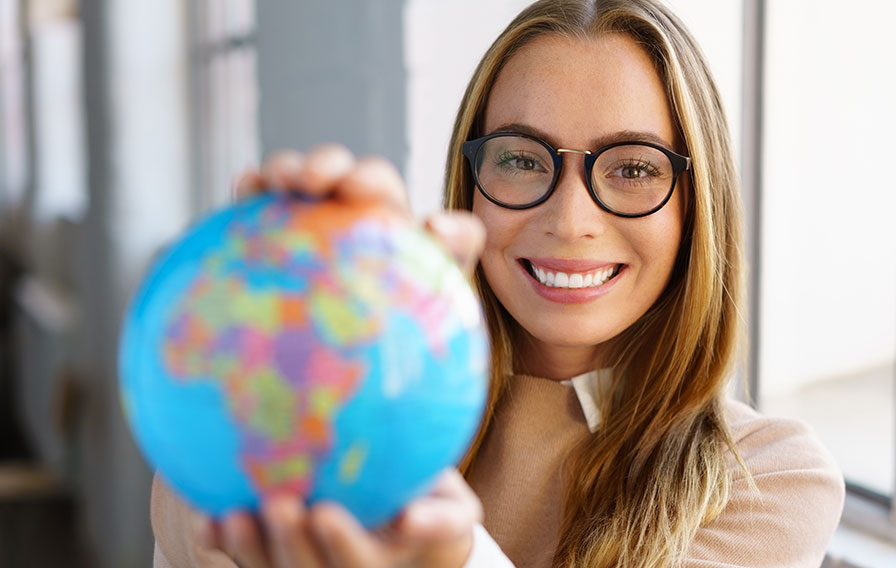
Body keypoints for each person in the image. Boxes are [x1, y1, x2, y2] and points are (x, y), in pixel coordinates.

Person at [151, 0, 845, 566]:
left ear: (698, 207)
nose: (571, 220)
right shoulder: (335, 408)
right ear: (471, 186)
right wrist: (263, 353)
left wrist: (450, 557)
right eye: (520, 158)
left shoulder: (771, 479)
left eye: (633, 168)